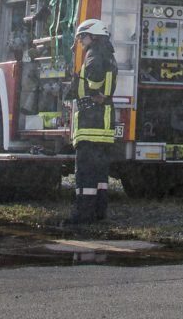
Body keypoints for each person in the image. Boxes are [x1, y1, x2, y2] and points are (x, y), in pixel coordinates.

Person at [70, 18, 116, 225]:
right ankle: (99, 212)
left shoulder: (94, 53)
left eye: (82, 37)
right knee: (100, 173)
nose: (80, 41)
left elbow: (95, 75)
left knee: (85, 172)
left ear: (93, 36)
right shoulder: (108, 53)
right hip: (104, 123)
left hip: (91, 120)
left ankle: (83, 214)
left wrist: (94, 92)